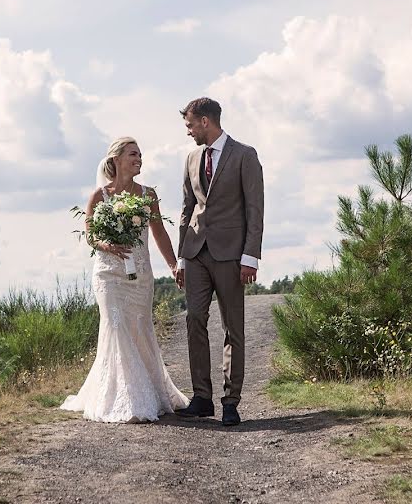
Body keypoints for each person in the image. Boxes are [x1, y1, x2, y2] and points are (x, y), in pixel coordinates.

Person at [60, 137, 189, 422]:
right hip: (108, 274)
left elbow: (159, 233)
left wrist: (173, 265)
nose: (139, 159)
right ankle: (124, 397)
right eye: (133, 154)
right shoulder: (98, 196)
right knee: (116, 327)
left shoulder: (148, 195)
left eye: (141, 155)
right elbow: (91, 235)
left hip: (140, 275)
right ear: (116, 159)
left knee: (140, 329)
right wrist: (107, 245)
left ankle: (150, 392)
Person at [174, 97, 264, 426]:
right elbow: (187, 208)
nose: (189, 132)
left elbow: (255, 208)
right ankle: (201, 397)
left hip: (231, 254)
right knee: (194, 319)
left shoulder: (244, 155)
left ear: (206, 122)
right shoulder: (191, 158)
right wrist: (182, 257)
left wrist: (250, 255)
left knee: (232, 328)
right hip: (197, 253)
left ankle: (231, 400)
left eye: (190, 125)